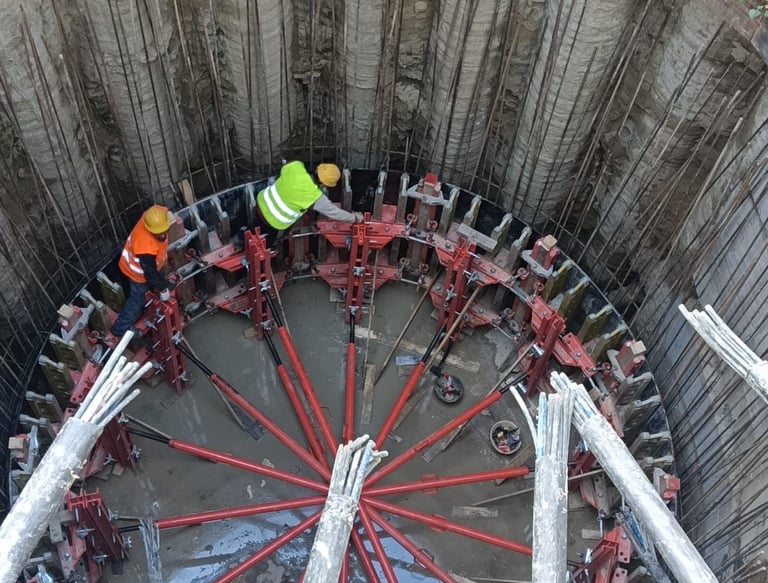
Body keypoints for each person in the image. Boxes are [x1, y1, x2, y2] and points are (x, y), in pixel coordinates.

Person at [255, 161, 363, 246]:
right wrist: (355, 218)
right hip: (272, 221)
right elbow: (335, 213)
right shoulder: (315, 197)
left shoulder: (296, 167)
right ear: (325, 184)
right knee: (262, 245)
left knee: (252, 230)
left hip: (260, 202)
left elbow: (287, 170)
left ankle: (244, 239)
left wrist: (311, 221)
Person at [110, 205, 176, 337]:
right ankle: (120, 328)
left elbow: (162, 209)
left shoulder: (153, 216)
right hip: (137, 275)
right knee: (137, 301)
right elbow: (150, 274)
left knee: (154, 283)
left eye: (165, 230)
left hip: (151, 266)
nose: (163, 235)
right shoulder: (145, 246)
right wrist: (164, 287)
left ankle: (151, 298)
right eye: (158, 233)